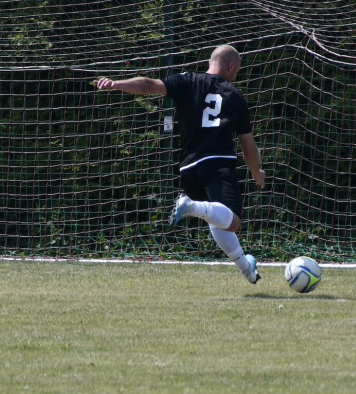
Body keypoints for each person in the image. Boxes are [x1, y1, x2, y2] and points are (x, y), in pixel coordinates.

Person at [96, 44, 267, 283]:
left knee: (217, 220)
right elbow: (248, 145)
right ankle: (190, 206)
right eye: (236, 70)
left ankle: (248, 271)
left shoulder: (187, 80)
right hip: (218, 165)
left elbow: (147, 85)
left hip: (188, 170)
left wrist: (116, 84)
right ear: (231, 67)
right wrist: (256, 171)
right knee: (233, 221)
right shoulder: (235, 96)